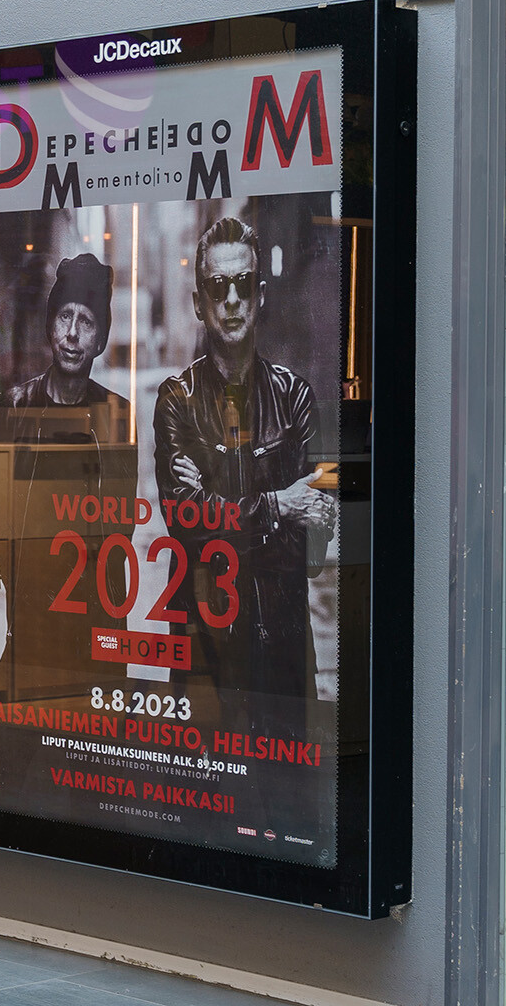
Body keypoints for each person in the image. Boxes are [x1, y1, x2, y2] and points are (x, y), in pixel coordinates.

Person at [153, 216, 336, 714]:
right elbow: (187, 526)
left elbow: (314, 548)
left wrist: (218, 507)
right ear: (198, 302)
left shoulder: (297, 399)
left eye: (241, 285)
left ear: (259, 295)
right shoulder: (177, 403)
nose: (230, 300)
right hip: (204, 655)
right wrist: (280, 504)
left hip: (284, 650)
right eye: (217, 286)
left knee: (286, 790)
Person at [0, 253, 134, 693]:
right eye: (64, 316)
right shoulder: (13, 406)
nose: (72, 333)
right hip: (32, 608)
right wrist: (23, 593)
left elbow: (120, 525)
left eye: (86, 322)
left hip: (94, 611)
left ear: (102, 339)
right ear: (50, 325)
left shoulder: (116, 416)